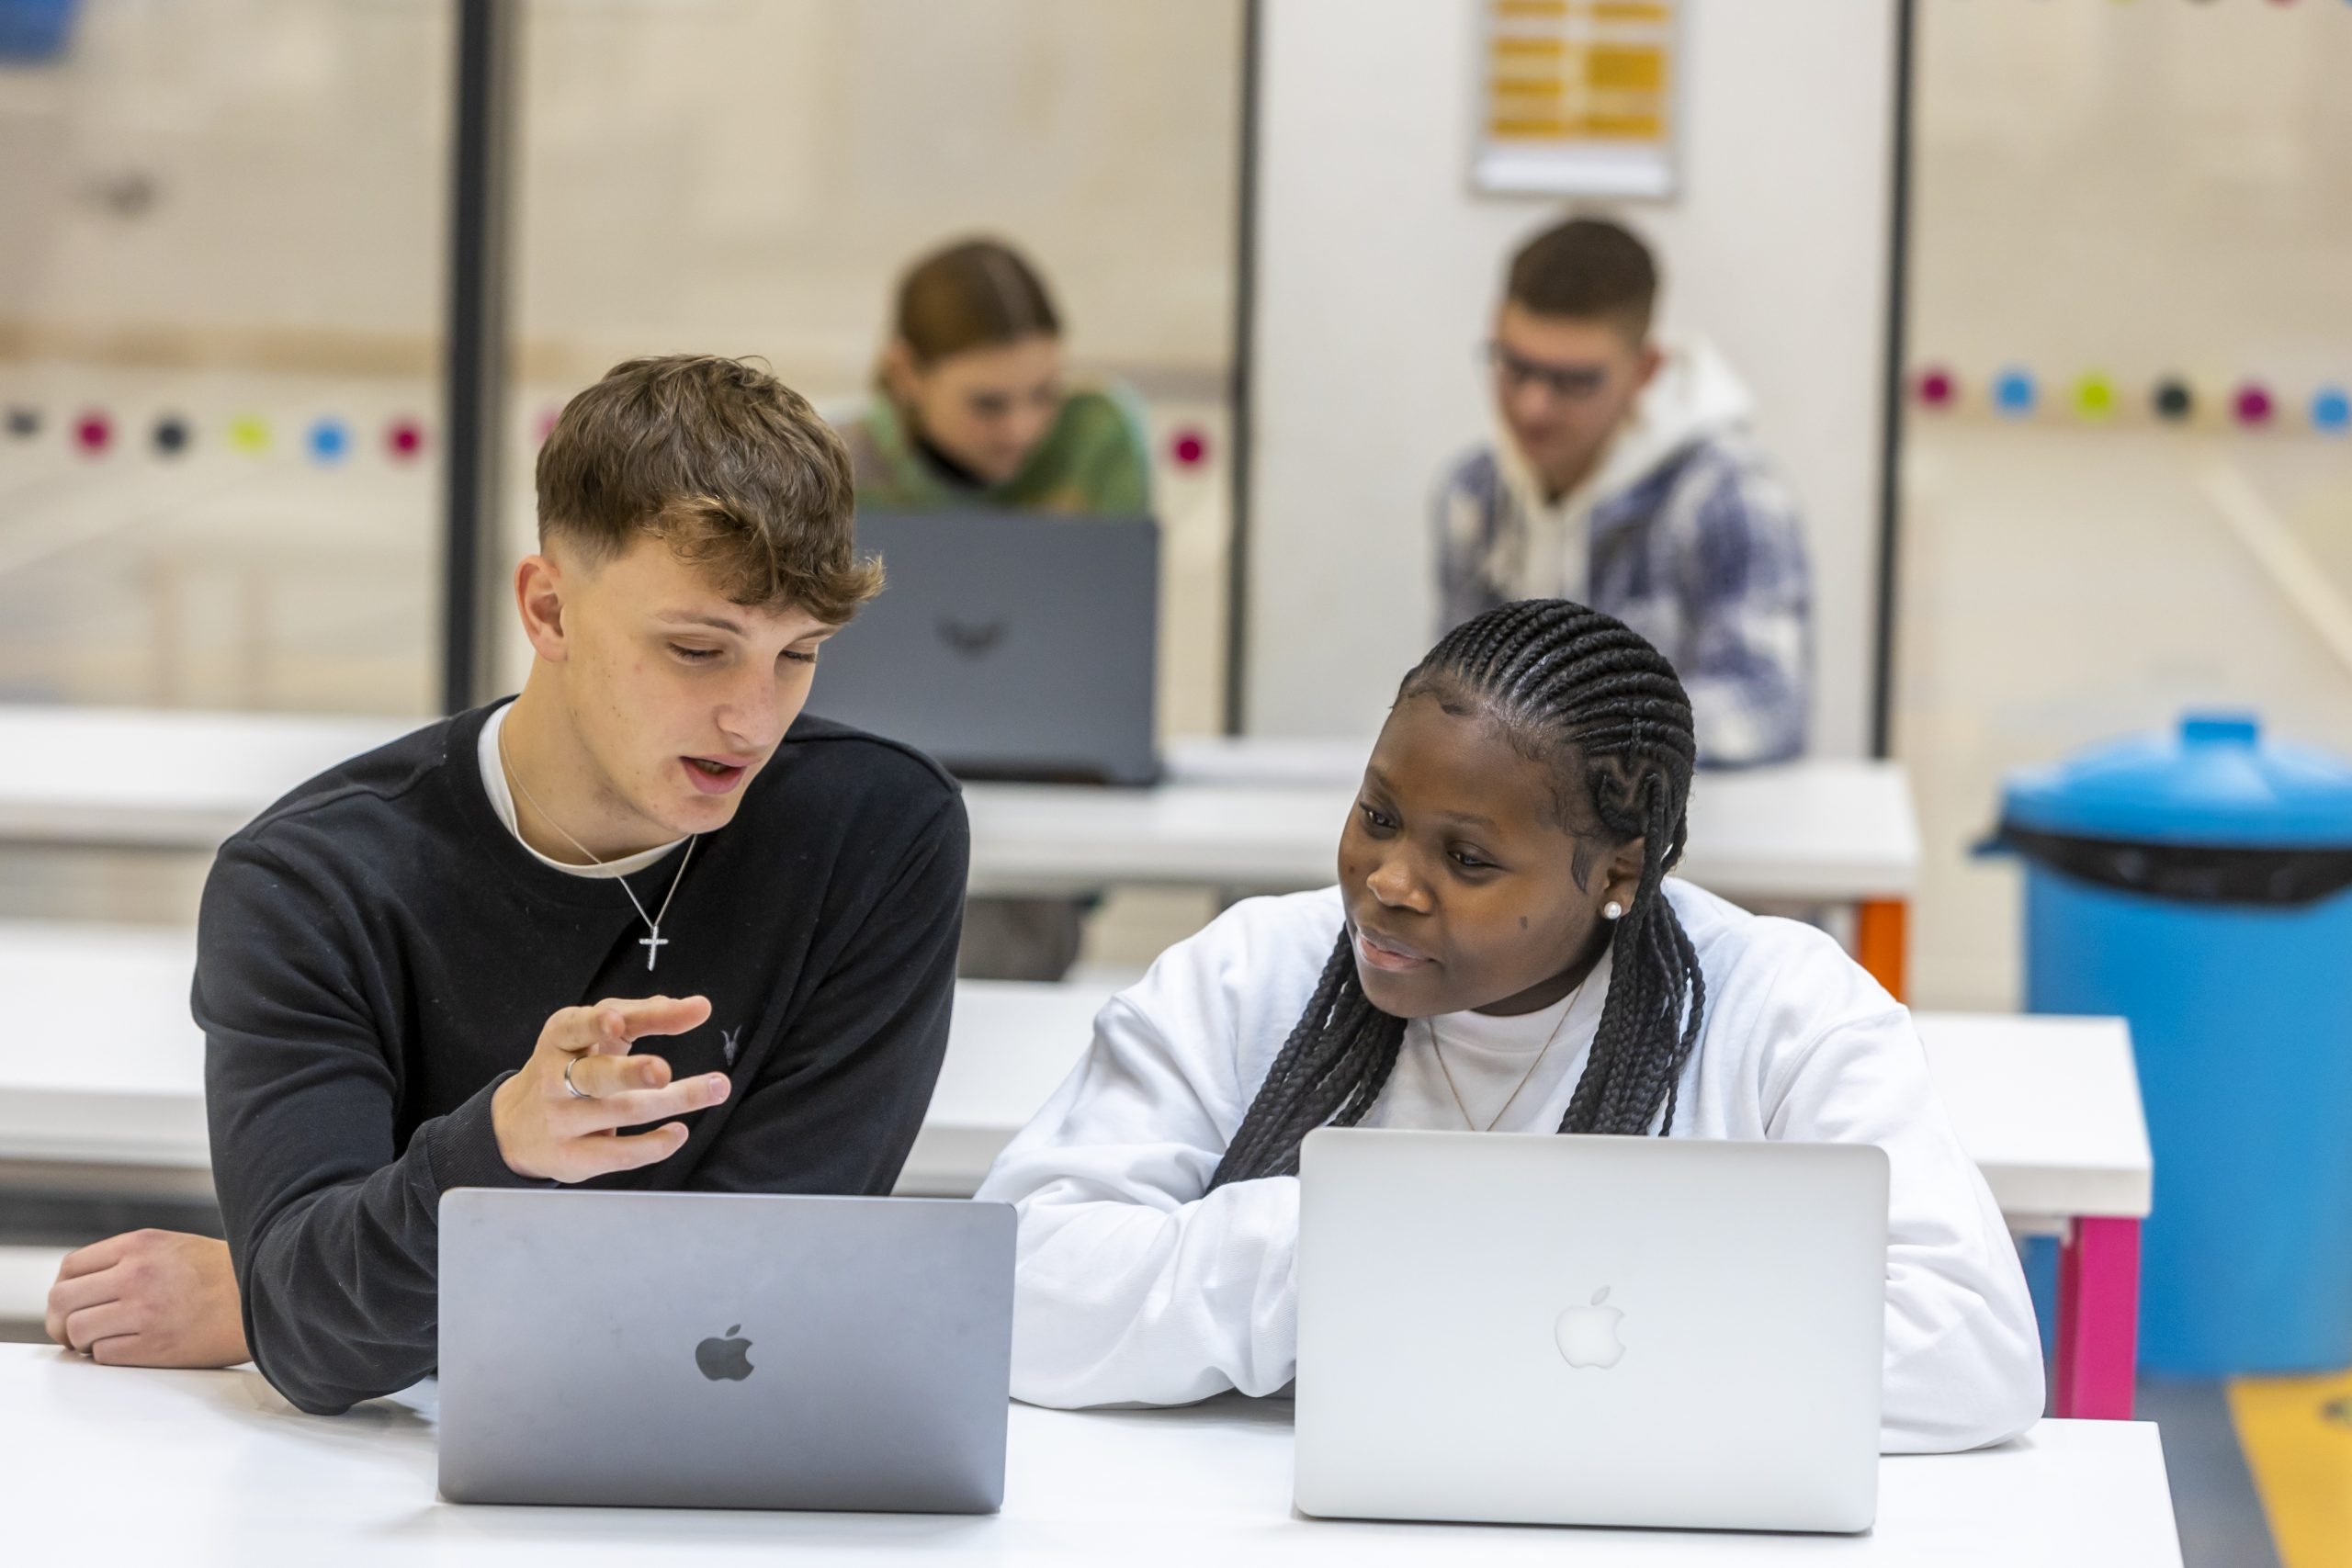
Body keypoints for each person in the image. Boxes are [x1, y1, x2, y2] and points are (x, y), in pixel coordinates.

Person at [43, 355, 969, 1414]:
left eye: (799, 654)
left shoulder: (878, 833)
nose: (755, 720)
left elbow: (751, 1308)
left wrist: (272, 1294)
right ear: (550, 611)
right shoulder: (308, 883)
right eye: (697, 649)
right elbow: (316, 1342)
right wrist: (496, 1151)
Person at [975, 600, 2042, 1454]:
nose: (1387, 883)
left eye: (1468, 859)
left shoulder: (1781, 1012)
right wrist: (1338, 1251)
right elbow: (1011, 1294)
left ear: (1618, 873)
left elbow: (1970, 1351)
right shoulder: (1251, 972)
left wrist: (1505, 1297)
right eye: (1377, 816)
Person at [837, 236, 1153, 981]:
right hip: (875, 813)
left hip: (1051, 824)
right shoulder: (839, 464)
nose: (1023, 427)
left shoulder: (1098, 438)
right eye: (988, 403)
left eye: (1046, 393)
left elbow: (1108, 657)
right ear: (904, 373)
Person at [1435, 217, 1810, 767]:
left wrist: (1577, 736)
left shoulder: (1728, 495)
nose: (1532, 405)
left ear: (1645, 371)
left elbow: (1768, 708)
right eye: (1515, 366)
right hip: (1518, 837)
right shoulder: (1474, 492)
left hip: (1678, 841)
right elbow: (1454, 699)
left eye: (1574, 381)